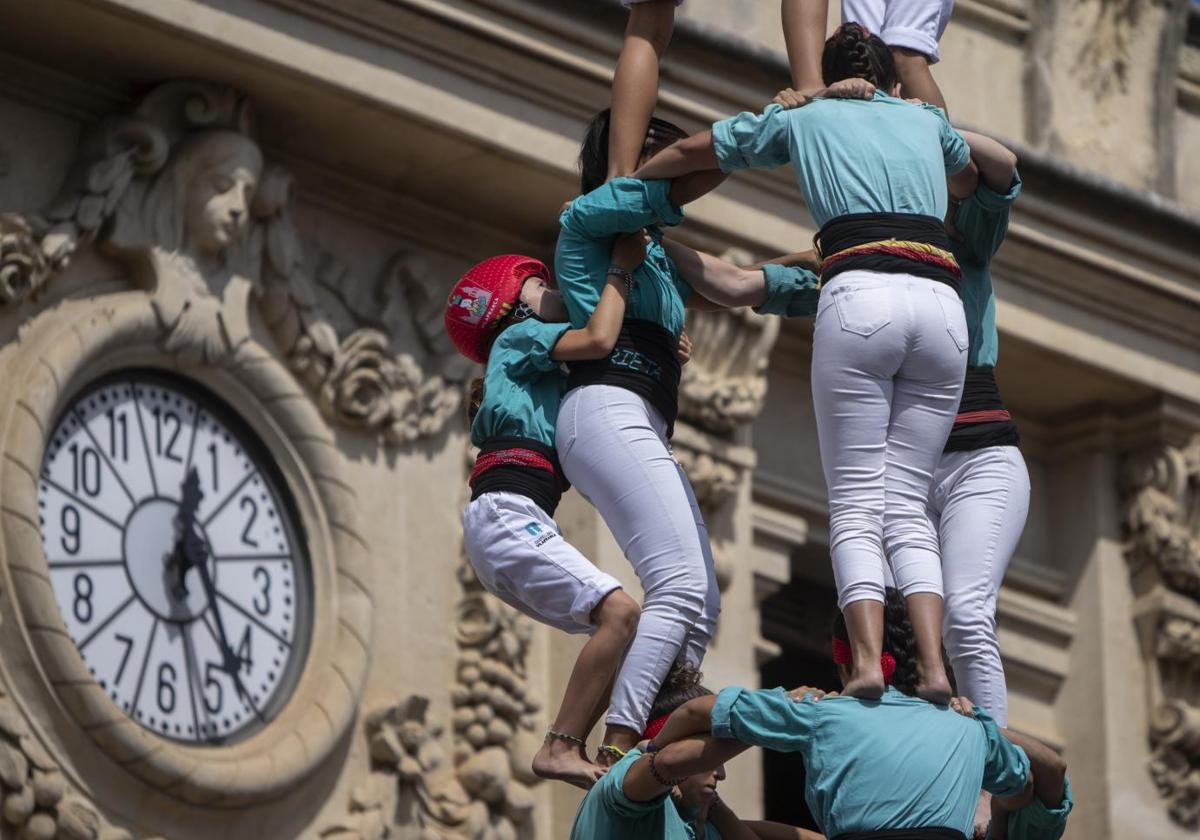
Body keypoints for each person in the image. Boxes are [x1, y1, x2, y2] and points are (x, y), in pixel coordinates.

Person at [634, 23, 976, 704]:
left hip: (860, 293)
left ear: (821, 73)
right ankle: (935, 669)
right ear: (892, 78)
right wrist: (909, 113)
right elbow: (968, 176)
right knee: (909, 507)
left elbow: (705, 148)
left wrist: (637, 178)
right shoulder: (924, 120)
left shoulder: (808, 114)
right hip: (941, 303)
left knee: (854, 502)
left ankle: (871, 663)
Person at [447, 244, 648, 789]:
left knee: (625, 629)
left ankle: (588, 747)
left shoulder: (543, 372)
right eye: (537, 286)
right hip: (508, 513)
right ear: (511, 309)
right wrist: (619, 272)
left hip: (511, 521)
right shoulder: (515, 340)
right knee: (622, 613)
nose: (552, 289)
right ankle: (561, 745)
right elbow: (600, 337)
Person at [649, 589, 1031, 840]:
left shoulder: (825, 714)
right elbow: (1021, 786)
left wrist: (648, 756)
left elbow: (698, 709)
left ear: (849, 662)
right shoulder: (970, 728)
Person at [570, 664, 826, 839]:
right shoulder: (621, 786)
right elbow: (669, 762)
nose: (721, 773)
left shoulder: (699, 823)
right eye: (710, 755)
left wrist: (717, 810)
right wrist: (783, 714)